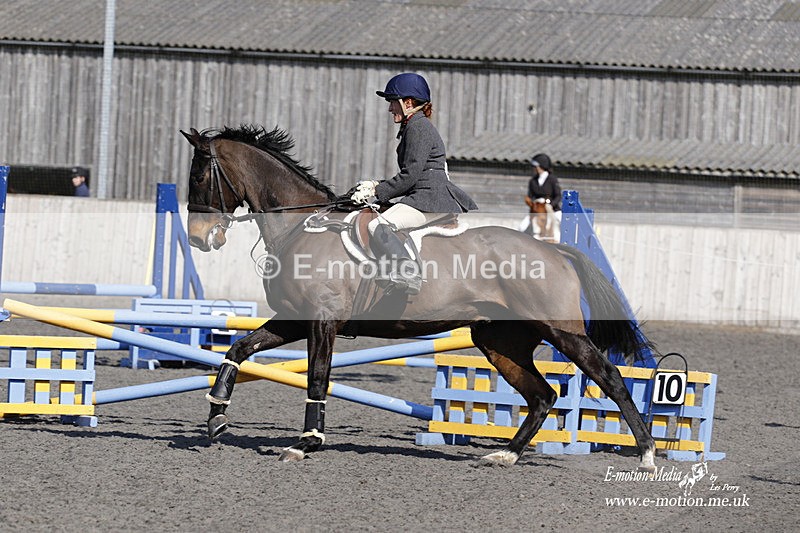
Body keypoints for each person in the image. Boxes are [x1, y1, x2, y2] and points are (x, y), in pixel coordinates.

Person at [349, 72, 477, 295]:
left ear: (407, 103)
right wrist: (373, 184)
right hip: (425, 194)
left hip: (431, 198)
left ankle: (408, 274)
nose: (390, 109)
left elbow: (410, 176)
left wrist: (377, 191)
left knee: (378, 225)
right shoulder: (414, 126)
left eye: (392, 103)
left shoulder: (418, 128)